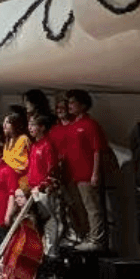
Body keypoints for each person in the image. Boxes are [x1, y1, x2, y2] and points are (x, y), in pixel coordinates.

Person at [58, 89, 109, 249]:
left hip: (87, 173)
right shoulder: (73, 125)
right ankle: (88, 236)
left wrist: (95, 173)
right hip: (74, 175)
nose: (70, 106)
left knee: (93, 208)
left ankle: (97, 240)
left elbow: (97, 150)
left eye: (73, 102)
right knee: (81, 208)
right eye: (69, 102)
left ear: (83, 105)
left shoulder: (90, 124)